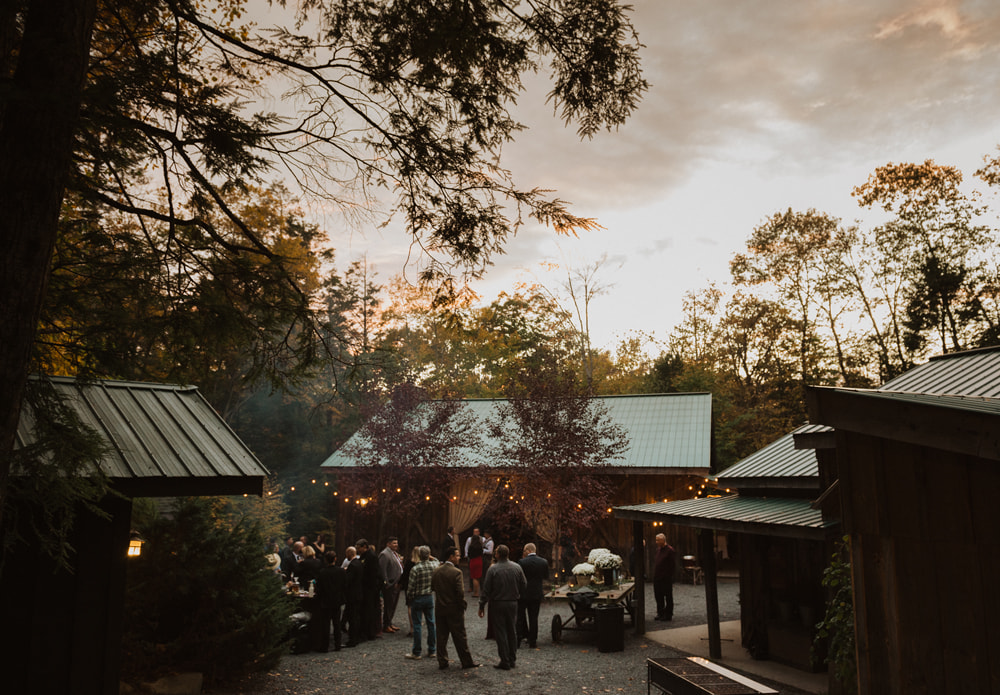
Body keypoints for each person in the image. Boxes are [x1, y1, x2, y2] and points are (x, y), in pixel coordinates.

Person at [478, 544, 526, 670]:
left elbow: (486, 589)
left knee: (501, 632)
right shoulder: (517, 567)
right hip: (512, 602)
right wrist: (517, 593)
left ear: (498, 554)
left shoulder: (493, 569)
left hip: (498, 602)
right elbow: (524, 584)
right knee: (512, 630)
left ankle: (505, 660)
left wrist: (482, 605)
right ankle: (512, 659)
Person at [431, 546, 479, 670]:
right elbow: (460, 592)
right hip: (454, 609)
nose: (459, 558)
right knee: (459, 636)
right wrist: (462, 605)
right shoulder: (457, 572)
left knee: (441, 636)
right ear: (451, 557)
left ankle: (442, 661)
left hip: (440, 607)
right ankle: (466, 661)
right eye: (457, 555)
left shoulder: (437, 571)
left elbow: (433, 587)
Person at [404, 545, 439, 660]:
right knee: (431, 623)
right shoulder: (434, 565)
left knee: (417, 624)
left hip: (418, 597)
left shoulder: (416, 568)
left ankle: (417, 652)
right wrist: (430, 556)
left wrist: (410, 597)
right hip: (429, 596)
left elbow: (411, 586)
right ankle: (432, 650)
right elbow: (438, 561)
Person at [517, 542, 549, 648]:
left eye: (525, 551)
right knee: (533, 617)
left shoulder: (522, 562)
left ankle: (518, 639)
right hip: (536, 593)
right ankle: (533, 641)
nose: (524, 553)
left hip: (524, 593)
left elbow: (519, 578)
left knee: (520, 617)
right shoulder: (543, 562)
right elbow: (546, 576)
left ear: (529, 550)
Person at [314, 549, 347, 652]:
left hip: (326, 600)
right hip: (337, 599)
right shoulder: (341, 571)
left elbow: (319, 588)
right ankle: (337, 644)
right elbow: (344, 585)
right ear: (335, 559)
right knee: (337, 623)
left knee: (326, 624)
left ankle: (325, 646)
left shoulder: (322, 573)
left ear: (325, 560)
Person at [357, 539, 384, 639]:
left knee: (370, 610)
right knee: (366, 610)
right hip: (367, 587)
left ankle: (370, 632)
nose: (358, 550)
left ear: (364, 547)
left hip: (371, 588)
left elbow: (373, 574)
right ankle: (365, 630)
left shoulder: (371, 557)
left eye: (359, 548)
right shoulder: (364, 556)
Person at [379, 536, 404, 632]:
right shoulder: (384, 554)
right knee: (388, 605)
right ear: (388, 544)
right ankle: (386, 625)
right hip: (390, 584)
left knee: (393, 604)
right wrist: (387, 583)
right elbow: (382, 570)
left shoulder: (394, 554)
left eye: (397, 543)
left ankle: (389, 622)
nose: (396, 545)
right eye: (394, 543)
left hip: (396, 583)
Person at [344, 544, 364, 646]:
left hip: (352, 595)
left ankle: (352, 640)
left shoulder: (352, 565)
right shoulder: (359, 563)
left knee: (352, 618)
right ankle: (357, 637)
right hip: (359, 593)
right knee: (356, 617)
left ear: (349, 554)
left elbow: (348, 581)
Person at [653, 533, 677, 621]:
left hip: (666, 578)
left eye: (658, 540)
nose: (656, 542)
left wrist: (669, 576)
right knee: (658, 596)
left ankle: (668, 614)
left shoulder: (670, 550)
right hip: (657, 577)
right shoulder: (658, 550)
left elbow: (672, 565)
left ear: (663, 540)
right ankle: (660, 613)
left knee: (668, 596)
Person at [400, 545, 420, 636]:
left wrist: (400, 584)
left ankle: (412, 627)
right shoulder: (422, 563)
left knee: (410, 606)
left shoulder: (409, 563)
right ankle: (418, 626)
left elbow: (404, 575)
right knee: (419, 607)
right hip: (420, 587)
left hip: (410, 586)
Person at [465, 528, 484, 596]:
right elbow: (482, 553)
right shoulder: (480, 546)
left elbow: (469, 554)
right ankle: (478, 591)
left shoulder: (471, 547)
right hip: (479, 560)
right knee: (478, 576)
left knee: (474, 577)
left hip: (473, 561)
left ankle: (475, 592)